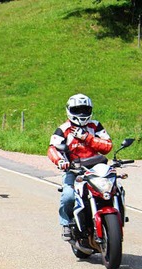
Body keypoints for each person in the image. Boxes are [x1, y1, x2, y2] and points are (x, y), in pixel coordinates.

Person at [47, 93, 113, 240]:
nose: (81, 113)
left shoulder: (95, 126)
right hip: (74, 170)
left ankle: (115, 216)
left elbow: (107, 146)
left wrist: (87, 138)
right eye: (77, 110)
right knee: (68, 196)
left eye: (85, 109)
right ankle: (67, 223)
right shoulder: (63, 128)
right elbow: (53, 148)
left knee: (115, 188)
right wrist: (60, 161)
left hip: (97, 168)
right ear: (70, 110)